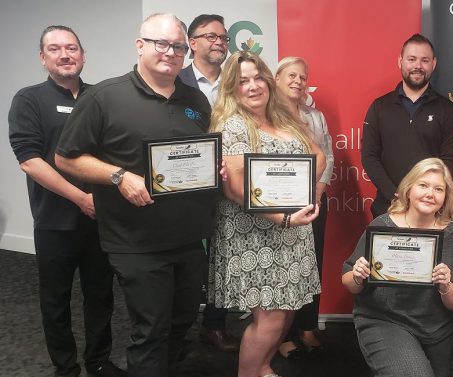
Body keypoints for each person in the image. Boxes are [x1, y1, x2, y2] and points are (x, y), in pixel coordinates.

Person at [54, 14, 215, 377]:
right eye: (162, 43)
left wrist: (212, 169)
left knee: (182, 322)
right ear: (140, 45)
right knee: (151, 331)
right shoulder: (104, 97)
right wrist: (118, 176)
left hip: (190, 239)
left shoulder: (196, 100)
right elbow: (66, 158)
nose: (171, 52)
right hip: (136, 242)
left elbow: (199, 154)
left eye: (178, 46)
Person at [7, 25, 125, 377]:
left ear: (83, 55)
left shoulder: (100, 96)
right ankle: (66, 367)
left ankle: (99, 361)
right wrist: (80, 198)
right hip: (55, 220)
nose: (65, 54)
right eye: (55, 49)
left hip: (100, 219)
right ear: (43, 59)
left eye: (72, 47)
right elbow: (29, 160)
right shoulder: (29, 99)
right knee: (55, 300)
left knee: (100, 295)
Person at [208, 51, 326, 377]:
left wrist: (299, 187)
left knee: (286, 310)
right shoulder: (232, 126)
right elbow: (236, 189)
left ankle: (262, 368)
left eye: (258, 77)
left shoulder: (283, 118)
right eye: (243, 81)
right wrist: (284, 216)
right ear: (231, 88)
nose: (253, 86)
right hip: (256, 236)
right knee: (270, 316)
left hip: (291, 232)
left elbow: (317, 155)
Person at [342, 158, 453, 377]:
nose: (430, 193)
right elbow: (348, 282)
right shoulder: (382, 226)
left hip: (437, 329)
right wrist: (357, 276)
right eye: (423, 185)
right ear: (409, 189)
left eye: (438, 189)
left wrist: (446, 287)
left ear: (445, 197)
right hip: (385, 320)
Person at [179, 13, 238, 353]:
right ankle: (178, 328)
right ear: (192, 42)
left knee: (223, 254)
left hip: (230, 183)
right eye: (211, 36)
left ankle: (215, 325)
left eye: (223, 37)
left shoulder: (236, 81)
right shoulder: (176, 80)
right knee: (189, 257)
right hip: (187, 184)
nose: (219, 42)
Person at [361, 33, 453, 218]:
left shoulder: (447, 109)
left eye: (424, 60)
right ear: (400, 62)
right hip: (388, 207)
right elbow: (369, 157)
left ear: (433, 64)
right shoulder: (380, 107)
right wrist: (397, 195)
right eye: (412, 59)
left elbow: (448, 160)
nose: (418, 66)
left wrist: (424, 196)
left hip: (431, 210)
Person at [274, 56, 334, 358]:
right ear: (276, 79)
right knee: (284, 269)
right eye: (291, 75)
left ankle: (308, 326)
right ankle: (280, 335)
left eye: (303, 76)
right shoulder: (264, 115)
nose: (298, 81)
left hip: (313, 203)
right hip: (277, 209)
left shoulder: (315, 116)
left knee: (312, 266)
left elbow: (328, 156)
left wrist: (318, 193)